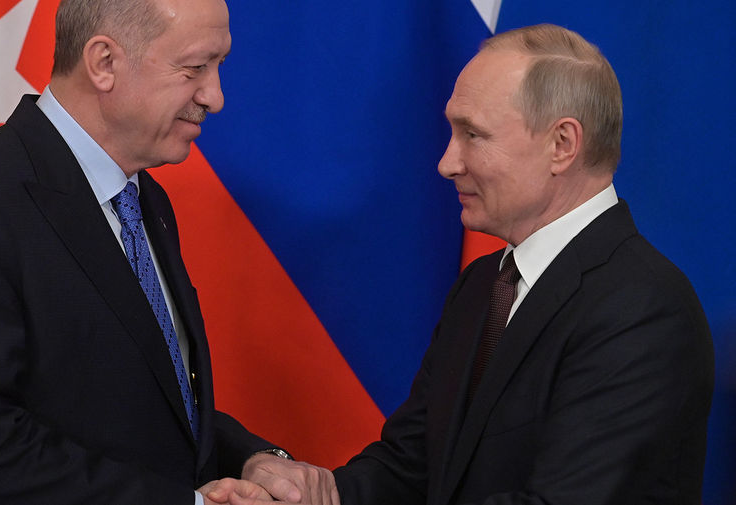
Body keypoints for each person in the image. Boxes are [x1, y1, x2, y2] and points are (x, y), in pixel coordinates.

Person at [0, 0, 331, 503]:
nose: (215, 97)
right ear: (104, 63)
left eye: (219, 66)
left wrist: (252, 458)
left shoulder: (145, 199)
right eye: (194, 68)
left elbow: (151, 401)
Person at [269, 23, 715, 504]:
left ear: (562, 144)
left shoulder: (643, 307)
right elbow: (412, 468)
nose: (447, 163)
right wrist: (313, 496)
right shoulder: (484, 284)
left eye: (473, 134)